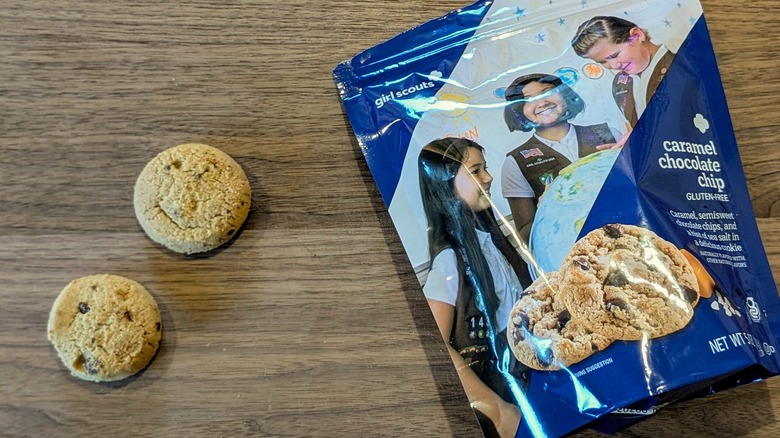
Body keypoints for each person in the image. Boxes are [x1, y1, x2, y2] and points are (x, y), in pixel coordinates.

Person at [418, 137, 533, 437]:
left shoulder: (491, 241)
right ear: (446, 187)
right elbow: (434, 347)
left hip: (532, 371)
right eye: (476, 170)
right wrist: (496, 410)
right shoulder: (449, 261)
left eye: (485, 168)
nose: (488, 177)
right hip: (509, 388)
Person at [500, 73, 624, 243]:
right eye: (528, 99)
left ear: (565, 96)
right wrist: (547, 208)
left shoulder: (609, 134)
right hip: (579, 253)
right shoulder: (515, 162)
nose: (542, 102)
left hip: (634, 231)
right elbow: (526, 234)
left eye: (548, 92)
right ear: (518, 111)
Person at [571, 15, 676, 126]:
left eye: (615, 55)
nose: (614, 65)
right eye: (602, 62)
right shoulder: (620, 85)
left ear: (637, 35)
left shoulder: (680, 66)